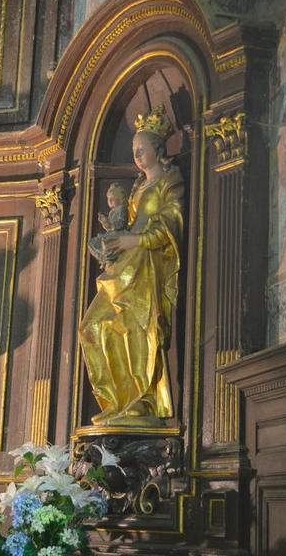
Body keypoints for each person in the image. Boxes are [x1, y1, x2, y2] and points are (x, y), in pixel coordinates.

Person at [79, 104, 184, 426]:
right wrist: (114, 238)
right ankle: (117, 399)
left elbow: (172, 220)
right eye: (133, 150)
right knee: (93, 327)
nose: (137, 155)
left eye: (142, 148)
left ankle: (141, 400)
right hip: (124, 264)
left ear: (158, 148)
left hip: (147, 264)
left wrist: (134, 241)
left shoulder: (170, 180)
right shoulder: (136, 188)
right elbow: (128, 222)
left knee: (137, 327)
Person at [88, 182, 129, 269]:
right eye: (108, 199)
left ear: (120, 198)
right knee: (92, 243)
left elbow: (121, 224)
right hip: (112, 233)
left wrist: (110, 225)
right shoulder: (111, 212)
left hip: (120, 234)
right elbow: (109, 228)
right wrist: (105, 222)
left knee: (106, 242)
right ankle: (103, 259)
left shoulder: (121, 209)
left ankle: (109, 259)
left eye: (112, 198)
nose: (109, 201)